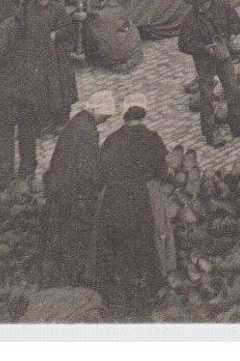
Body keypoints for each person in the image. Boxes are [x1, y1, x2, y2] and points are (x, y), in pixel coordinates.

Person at [92, 94, 172, 318]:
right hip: (140, 202)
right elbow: (162, 173)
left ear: (124, 116)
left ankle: (116, 299)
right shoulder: (153, 139)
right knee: (143, 249)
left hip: (115, 201)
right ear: (143, 115)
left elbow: (100, 174)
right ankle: (143, 300)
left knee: (116, 249)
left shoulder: (112, 140)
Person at [42, 91, 114, 287]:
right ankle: (66, 279)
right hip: (69, 193)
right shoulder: (88, 131)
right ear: (99, 112)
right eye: (106, 115)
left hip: (58, 185)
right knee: (70, 237)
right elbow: (88, 170)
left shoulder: (78, 122)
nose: (107, 119)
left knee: (55, 234)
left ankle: (52, 275)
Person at [0, 0, 67, 179]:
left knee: (9, 134)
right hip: (27, 88)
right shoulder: (34, 22)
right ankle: (26, 171)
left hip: (12, 90)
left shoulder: (8, 28)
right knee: (26, 132)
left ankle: (8, 173)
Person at [178, 0, 240, 146]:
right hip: (204, 62)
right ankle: (210, 133)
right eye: (197, 4)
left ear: (209, 1)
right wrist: (204, 48)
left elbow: (236, 21)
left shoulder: (222, 7)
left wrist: (231, 35)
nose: (200, 7)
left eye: (203, 4)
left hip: (224, 57)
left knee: (233, 90)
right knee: (207, 98)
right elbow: (184, 44)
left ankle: (237, 126)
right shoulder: (190, 19)